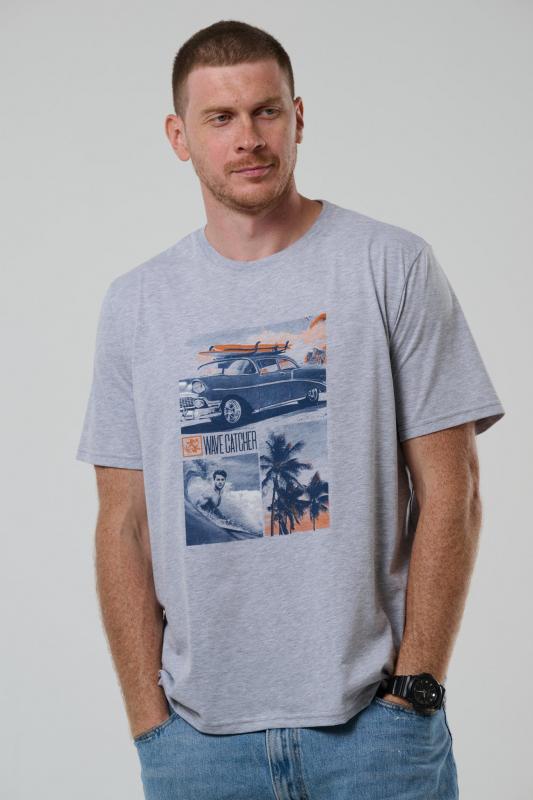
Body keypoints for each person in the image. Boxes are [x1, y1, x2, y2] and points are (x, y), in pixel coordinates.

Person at [75, 18, 506, 800]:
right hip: (197, 747)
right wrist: (148, 721)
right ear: (178, 136)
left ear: (297, 118)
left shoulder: (390, 264)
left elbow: (454, 491)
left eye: (265, 111)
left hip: (374, 737)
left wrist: (415, 690)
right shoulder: (136, 303)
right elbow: (122, 523)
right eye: (220, 117)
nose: (248, 137)